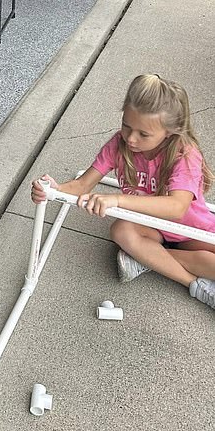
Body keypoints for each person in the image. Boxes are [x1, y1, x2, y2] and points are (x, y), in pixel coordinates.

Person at [31, 74, 215, 310]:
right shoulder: (118, 145)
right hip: (149, 227)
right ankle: (195, 285)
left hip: (192, 230)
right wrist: (54, 190)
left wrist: (117, 199)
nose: (131, 138)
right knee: (121, 230)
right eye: (126, 125)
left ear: (170, 132)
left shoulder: (184, 154)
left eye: (143, 134)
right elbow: (82, 184)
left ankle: (147, 258)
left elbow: (177, 206)